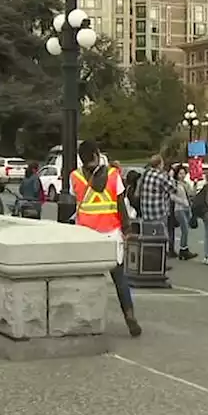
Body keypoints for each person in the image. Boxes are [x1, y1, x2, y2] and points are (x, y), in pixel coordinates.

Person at [69, 140, 141, 337]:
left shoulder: (74, 176)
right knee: (119, 279)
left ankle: (85, 320)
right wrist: (127, 229)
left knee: (85, 279)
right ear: (96, 154)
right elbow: (120, 205)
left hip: (85, 234)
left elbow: (73, 201)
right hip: (110, 232)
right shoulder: (112, 174)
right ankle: (130, 316)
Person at [136, 155, 176, 241]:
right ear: (159, 165)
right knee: (160, 238)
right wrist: (171, 177)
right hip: (158, 212)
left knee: (148, 238)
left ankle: (149, 253)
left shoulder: (145, 174)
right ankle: (161, 253)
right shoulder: (160, 176)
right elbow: (172, 189)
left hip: (146, 212)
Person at [168, 164, 197, 260]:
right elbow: (172, 196)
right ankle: (183, 250)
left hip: (187, 208)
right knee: (185, 229)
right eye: (180, 173)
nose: (182, 175)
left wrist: (195, 184)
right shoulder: (175, 184)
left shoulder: (186, 184)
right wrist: (182, 201)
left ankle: (184, 248)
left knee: (186, 229)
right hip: (179, 209)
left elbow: (191, 194)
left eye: (184, 173)